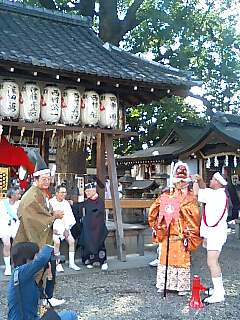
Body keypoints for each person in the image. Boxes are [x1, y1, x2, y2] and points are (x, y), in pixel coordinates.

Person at [14, 161, 65, 307]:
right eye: (43, 179)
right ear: (35, 179)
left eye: (48, 179)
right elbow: (32, 217)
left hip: (39, 235)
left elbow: (42, 214)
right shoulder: (31, 196)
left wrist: (51, 218)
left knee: (49, 266)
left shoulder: (40, 193)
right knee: (38, 268)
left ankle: (46, 297)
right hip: (30, 239)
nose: (47, 181)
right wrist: (53, 217)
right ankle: (39, 299)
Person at [148, 162, 201, 296]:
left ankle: (181, 286)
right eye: (178, 181)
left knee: (182, 261)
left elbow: (194, 214)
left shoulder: (191, 197)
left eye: (183, 181)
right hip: (167, 233)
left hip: (182, 234)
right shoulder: (167, 195)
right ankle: (164, 284)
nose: (181, 184)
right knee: (164, 260)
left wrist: (182, 209)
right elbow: (155, 210)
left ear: (187, 181)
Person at [7, 242, 78, 320]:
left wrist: (50, 275)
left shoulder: (27, 278)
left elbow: (48, 295)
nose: (37, 258)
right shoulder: (19, 272)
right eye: (36, 255)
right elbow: (42, 259)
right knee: (71, 315)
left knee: (68, 315)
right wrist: (50, 245)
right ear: (27, 259)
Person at [193, 171, 228, 303]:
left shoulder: (214, 195)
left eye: (213, 180)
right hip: (216, 232)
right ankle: (219, 289)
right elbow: (204, 189)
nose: (210, 181)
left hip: (215, 233)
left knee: (212, 262)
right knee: (213, 262)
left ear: (217, 183)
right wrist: (201, 180)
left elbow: (197, 193)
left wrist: (195, 181)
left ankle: (219, 294)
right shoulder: (218, 194)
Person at [79, 181, 109, 271]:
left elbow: (99, 213)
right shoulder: (87, 201)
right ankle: (89, 261)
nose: (86, 193)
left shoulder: (99, 201)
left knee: (100, 244)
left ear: (93, 191)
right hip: (89, 228)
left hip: (98, 228)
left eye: (88, 191)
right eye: (86, 192)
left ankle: (103, 262)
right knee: (87, 242)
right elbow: (80, 208)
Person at [50, 185, 80, 272]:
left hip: (64, 226)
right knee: (56, 242)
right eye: (62, 192)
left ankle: (72, 263)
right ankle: (57, 263)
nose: (64, 194)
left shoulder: (66, 203)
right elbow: (47, 217)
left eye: (65, 192)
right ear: (57, 193)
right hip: (54, 228)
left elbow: (70, 217)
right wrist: (52, 228)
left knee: (71, 241)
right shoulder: (50, 202)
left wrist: (67, 228)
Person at [0, 187, 21, 276]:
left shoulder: (20, 203)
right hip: (4, 226)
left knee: (18, 244)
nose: (19, 195)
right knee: (7, 244)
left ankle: (17, 265)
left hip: (15, 226)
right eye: (17, 194)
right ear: (12, 195)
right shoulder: (2, 203)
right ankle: (8, 267)